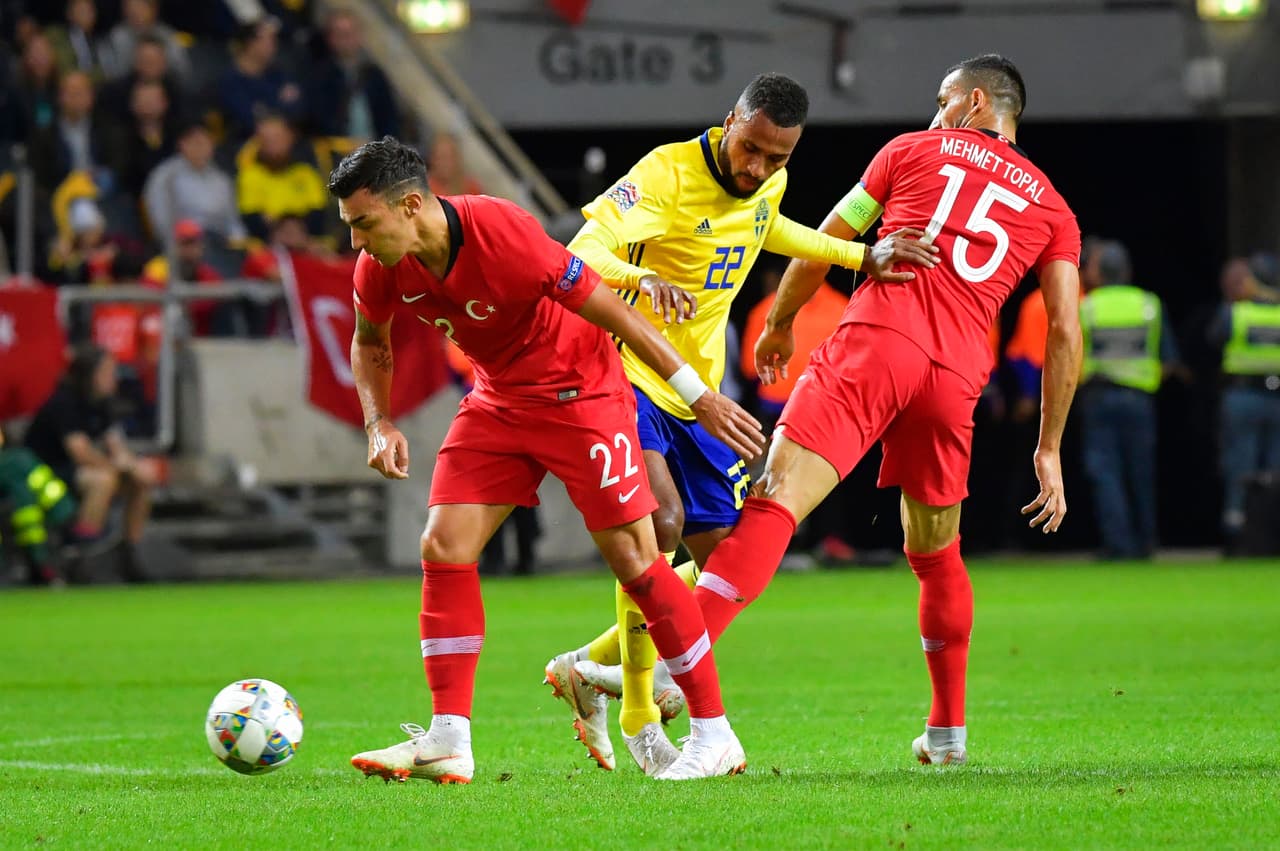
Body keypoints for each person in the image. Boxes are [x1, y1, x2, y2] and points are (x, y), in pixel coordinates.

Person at [646, 54, 1082, 767]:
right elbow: (1066, 327)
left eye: (943, 100)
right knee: (936, 552)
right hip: (957, 373)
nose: (935, 112)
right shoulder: (1054, 207)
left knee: (775, 501)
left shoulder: (910, 150)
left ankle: (675, 662)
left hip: (881, 338)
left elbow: (827, 241)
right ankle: (946, 734)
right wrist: (1049, 446)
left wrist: (780, 321)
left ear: (974, 101)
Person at [329, 135, 764, 783]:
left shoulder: (503, 232)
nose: (356, 243)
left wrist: (697, 395)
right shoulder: (381, 266)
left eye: (364, 224)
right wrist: (377, 419)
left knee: (639, 562)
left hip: (579, 393)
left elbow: (611, 309)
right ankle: (449, 737)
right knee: (443, 545)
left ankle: (714, 732)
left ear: (412, 205)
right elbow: (370, 342)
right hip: (499, 399)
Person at [538, 72, 938, 775]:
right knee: (657, 525)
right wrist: (636, 281)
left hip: (697, 386)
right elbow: (581, 251)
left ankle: (586, 663)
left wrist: (859, 254)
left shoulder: (768, 185)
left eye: (776, 158)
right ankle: (637, 712)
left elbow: (768, 230)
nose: (757, 167)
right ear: (729, 120)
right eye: (749, 148)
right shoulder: (665, 173)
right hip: (623, 369)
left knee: (730, 560)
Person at [1078, 239, 1181, 560]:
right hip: (1139, 400)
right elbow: (1168, 360)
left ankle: (1118, 544)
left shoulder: (1087, 307)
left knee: (1105, 473)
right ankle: (1147, 540)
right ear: (1128, 271)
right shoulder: (1149, 306)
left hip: (1098, 398)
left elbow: (1072, 356)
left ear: (1098, 274)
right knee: (1141, 471)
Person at [24, 343, 158, 582]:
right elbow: (80, 453)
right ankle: (79, 556)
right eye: (106, 372)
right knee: (102, 480)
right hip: (44, 475)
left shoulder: (102, 404)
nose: (112, 378)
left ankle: (128, 553)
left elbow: (116, 447)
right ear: (89, 374)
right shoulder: (64, 402)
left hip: (79, 474)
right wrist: (117, 468)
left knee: (140, 482)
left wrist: (134, 468)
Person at [1206, 254, 1280, 554]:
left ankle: (1237, 535)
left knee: (1240, 467)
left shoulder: (1235, 313)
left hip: (1243, 399)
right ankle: (1272, 535)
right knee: (1275, 470)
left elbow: (1213, 339)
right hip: (1276, 399)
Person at [0, 424, 77, 586]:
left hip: (51, 514)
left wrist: (38, 557)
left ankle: (46, 571)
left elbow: (26, 509)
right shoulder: (19, 456)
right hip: (64, 508)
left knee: (44, 548)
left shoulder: (9, 465)